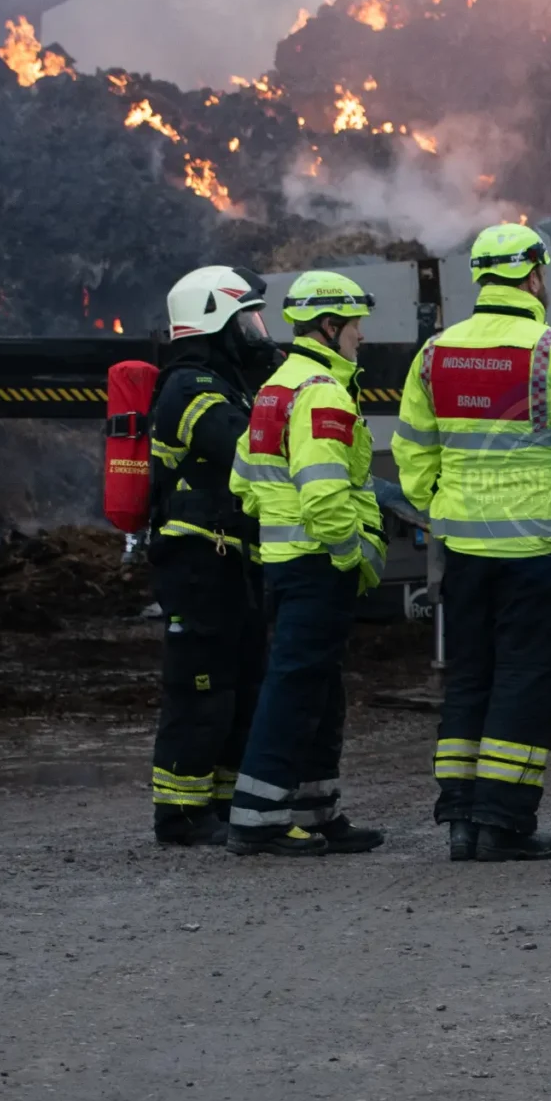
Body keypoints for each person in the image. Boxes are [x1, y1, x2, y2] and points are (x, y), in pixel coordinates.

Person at [394, 223, 551, 863]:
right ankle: (503, 823)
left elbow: (412, 448)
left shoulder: (434, 355)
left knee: (470, 678)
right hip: (544, 554)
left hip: (466, 554)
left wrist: (441, 508)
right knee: (526, 683)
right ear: (535, 276)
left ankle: (461, 822)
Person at [225, 270, 386, 857]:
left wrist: (280, 522)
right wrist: (350, 554)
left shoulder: (276, 387)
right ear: (330, 325)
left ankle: (315, 811)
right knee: (295, 690)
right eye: (356, 324)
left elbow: (243, 482)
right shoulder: (322, 392)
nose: (361, 335)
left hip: (287, 561)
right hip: (318, 562)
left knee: (317, 688)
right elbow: (323, 494)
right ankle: (259, 820)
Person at [147, 265, 274, 847]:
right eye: (247, 319)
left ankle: (220, 802)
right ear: (215, 320)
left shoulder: (225, 384)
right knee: (200, 690)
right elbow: (245, 446)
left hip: (230, 562)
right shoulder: (191, 388)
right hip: (198, 564)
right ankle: (179, 813)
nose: (257, 331)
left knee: (239, 688)